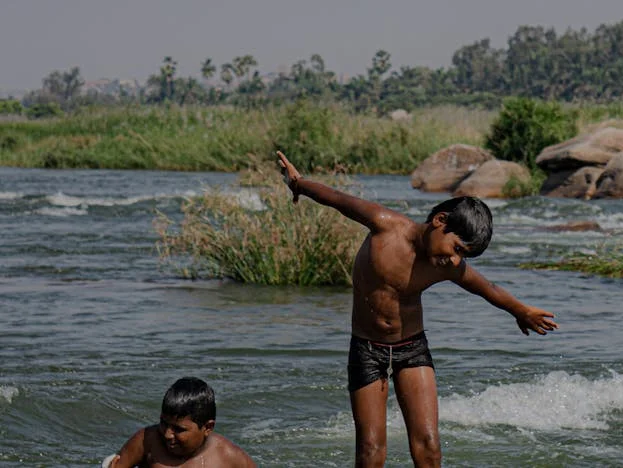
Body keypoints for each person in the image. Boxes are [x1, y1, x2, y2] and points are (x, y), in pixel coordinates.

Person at [276, 151, 558, 467]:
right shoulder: (386, 227)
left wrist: (520, 310)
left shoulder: (446, 266)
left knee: (429, 447)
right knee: (370, 451)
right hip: (367, 350)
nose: (455, 260)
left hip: (413, 349)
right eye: (457, 248)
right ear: (440, 221)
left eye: (463, 256)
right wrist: (299, 184)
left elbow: (487, 288)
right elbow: (338, 200)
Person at [103, 377, 256, 468]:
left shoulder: (229, 457)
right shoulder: (147, 441)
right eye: (164, 423)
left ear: (207, 427)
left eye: (179, 429)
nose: (168, 434)